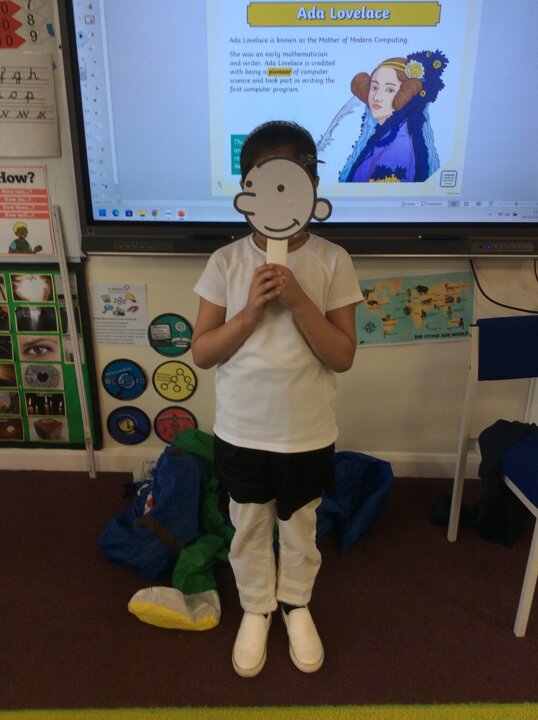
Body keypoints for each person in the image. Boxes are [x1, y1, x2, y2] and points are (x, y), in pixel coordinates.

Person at [191, 120, 363, 677]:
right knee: (247, 526)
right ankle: (256, 606)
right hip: (242, 431)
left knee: (299, 526)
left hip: (307, 432)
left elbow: (341, 355)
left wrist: (300, 301)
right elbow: (203, 352)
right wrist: (249, 313)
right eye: (266, 181)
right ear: (246, 192)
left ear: (313, 186)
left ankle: (296, 602)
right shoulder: (225, 262)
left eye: (294, 179)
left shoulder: (333, 259)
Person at [318, 50, 448, 183]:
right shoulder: (387, 135)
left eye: (389, 90)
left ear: (405, 94)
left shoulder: (398, 148)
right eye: (374, 87)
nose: (377, 97)